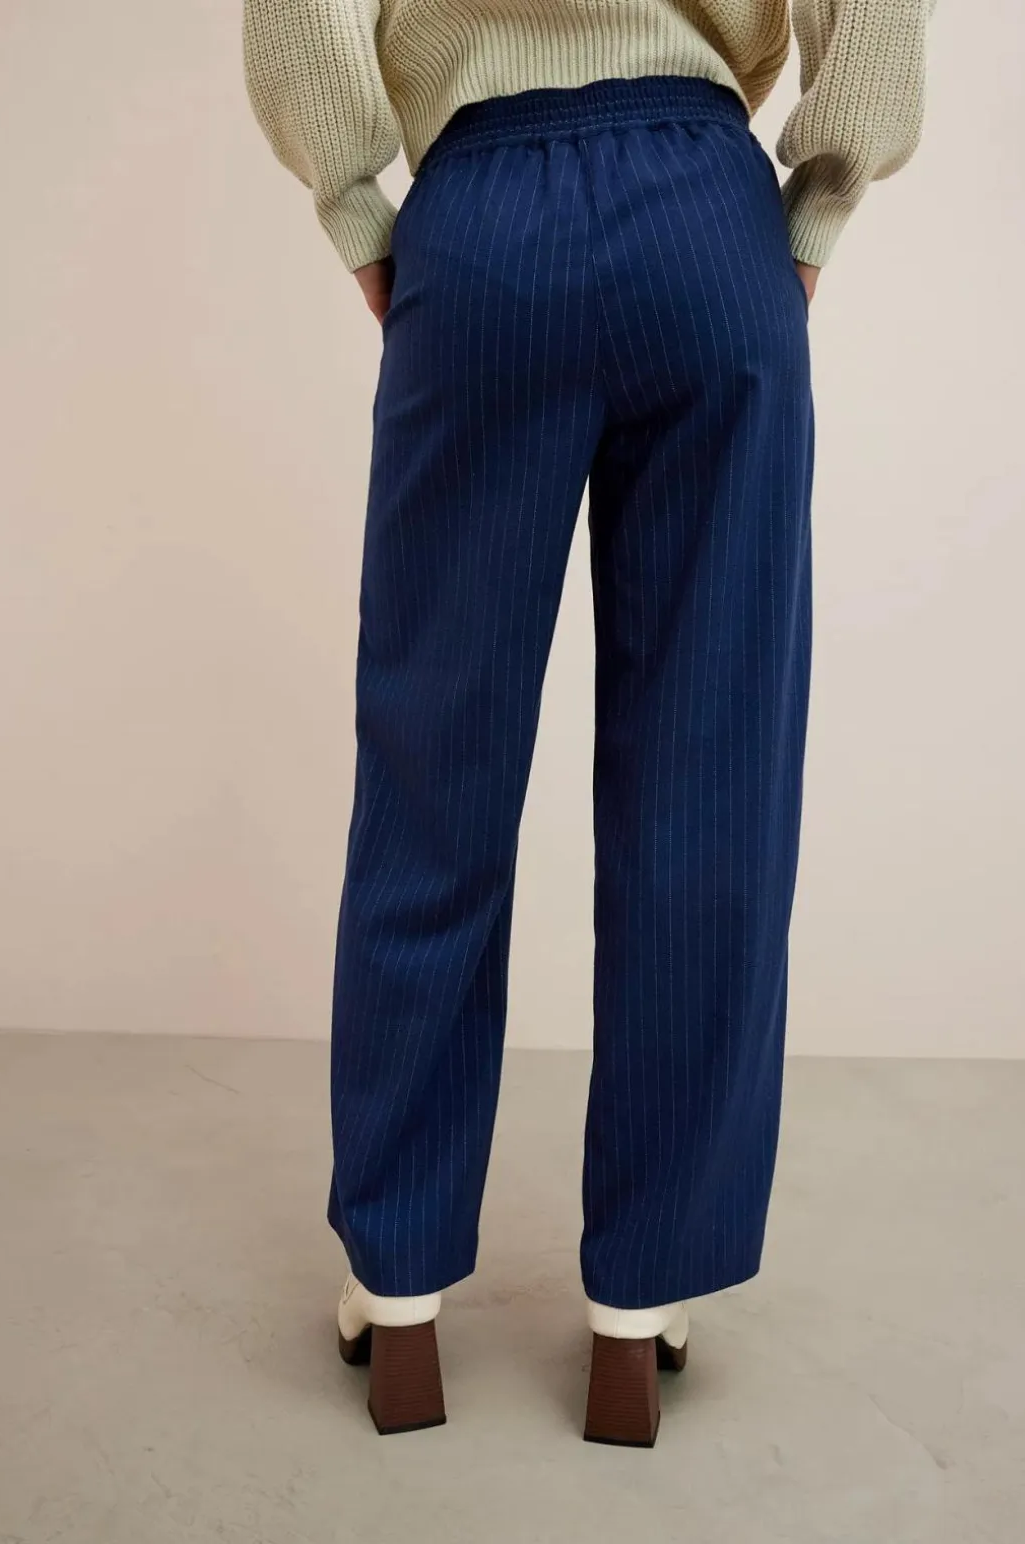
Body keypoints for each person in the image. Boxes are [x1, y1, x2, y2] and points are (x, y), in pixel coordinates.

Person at [243, 0, 932, 1446]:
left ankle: (400, 1284)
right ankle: (640, 1301)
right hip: (706, 221)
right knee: (708, 777)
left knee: (431, 769)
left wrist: (359, 205)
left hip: (479, 225)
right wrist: (815, 204)